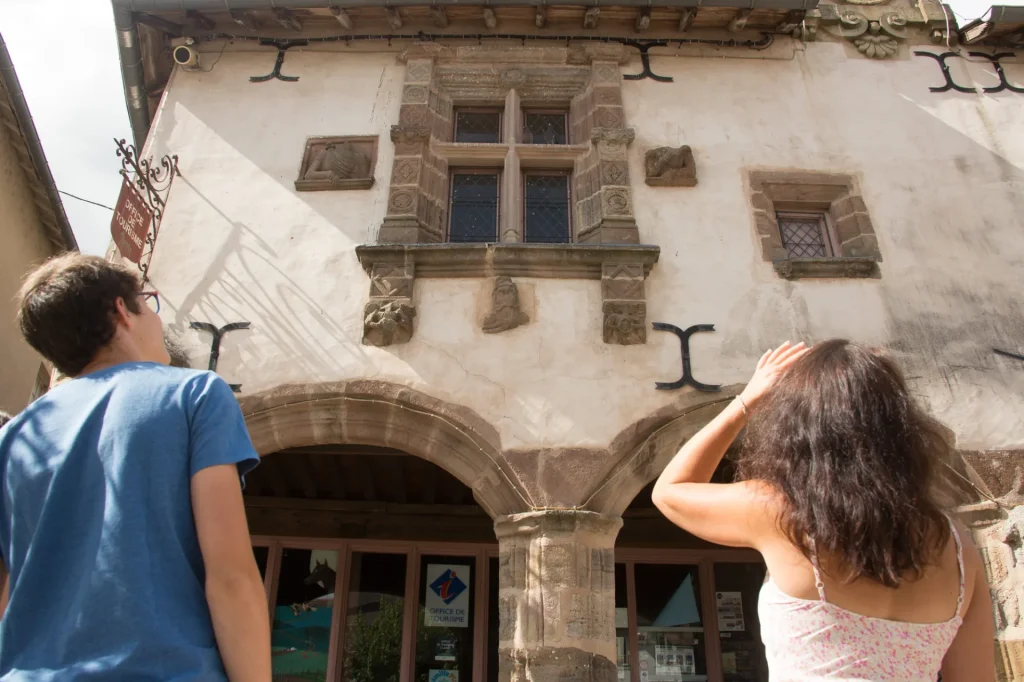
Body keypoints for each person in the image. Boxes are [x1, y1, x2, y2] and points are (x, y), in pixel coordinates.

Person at [652, 340, 994, 682]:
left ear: (798, 426)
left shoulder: (781, 512)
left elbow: (670, 491)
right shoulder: (957, 547)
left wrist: (746, 402)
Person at [0, 254, 271, 681]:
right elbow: (230, 577)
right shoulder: (195, 396)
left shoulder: (14, 436)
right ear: (123, 311)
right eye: (149, 302)